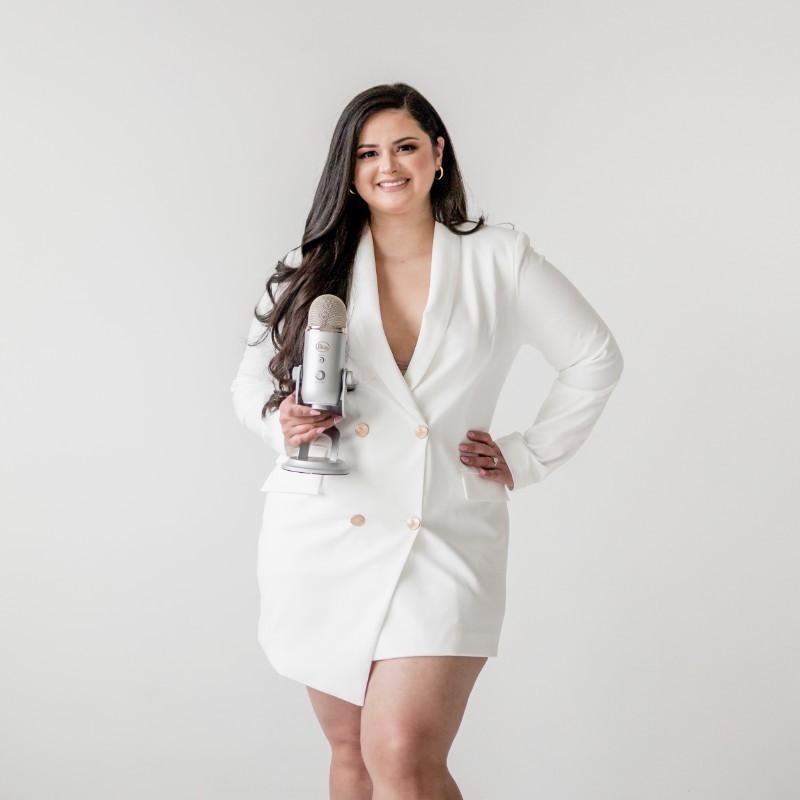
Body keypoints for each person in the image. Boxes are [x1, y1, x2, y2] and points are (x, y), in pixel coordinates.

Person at [231, 82, 623, 800]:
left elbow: (595, 357)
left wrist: (528, 454)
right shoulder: (308, 266)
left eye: (405, 147)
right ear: (348, 169)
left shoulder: (499, 259)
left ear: (438, 154)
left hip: (442, 531)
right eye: (367, 153)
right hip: (325, 531)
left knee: (402, 752)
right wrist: (279, 423)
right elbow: (249, 385)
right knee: (352, 753)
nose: (388, 166)